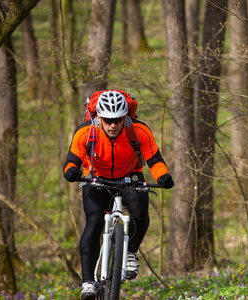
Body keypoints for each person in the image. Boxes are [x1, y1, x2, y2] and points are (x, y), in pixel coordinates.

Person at [63, 90, 174, 300]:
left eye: (118, 120)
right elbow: (72, 158)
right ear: (99, 117)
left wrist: (163, 176)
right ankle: (88, 282)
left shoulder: (139, 131)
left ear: (126, 117)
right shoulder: (85, 132)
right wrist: (71, 170)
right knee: (94, 222)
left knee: (140, 210)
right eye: (108, 120)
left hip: (130, 176)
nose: (113, 125)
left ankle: (130, 251)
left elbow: (155, 159)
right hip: (97, 177)